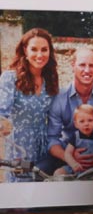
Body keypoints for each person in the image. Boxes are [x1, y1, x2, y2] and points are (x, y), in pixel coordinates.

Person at [45, 46, 93, 175]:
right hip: (67, 154)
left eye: (91, 65)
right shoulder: (59, 98)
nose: (87, 70)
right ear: (72, 65)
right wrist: (70, 158)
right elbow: (52, 139)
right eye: (82, 65)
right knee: (43, 174)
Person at [0, 28, 59, 180]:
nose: (39, 55)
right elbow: (1, 111)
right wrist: (2, 124)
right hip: (19, 151)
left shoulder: (50, 81)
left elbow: (60, 110)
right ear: (25, 51)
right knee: (20, 199)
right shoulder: (10, 79)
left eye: (44, 50)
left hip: (44, 151)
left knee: (42, 197)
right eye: (34, 49)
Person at [54, 104, 93, 176]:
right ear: (76, 124)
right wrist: (74, 164)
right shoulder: (75, 136)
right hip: (77, 167)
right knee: (58, 172)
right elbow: (67, 153)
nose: (86, 124)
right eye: (82, 121)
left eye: (90, 120)